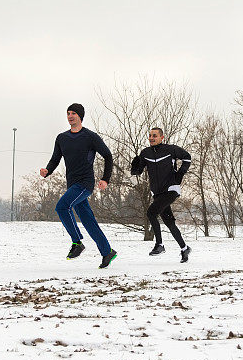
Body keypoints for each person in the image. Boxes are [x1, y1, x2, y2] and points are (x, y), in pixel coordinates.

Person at [40, 103, 117, 268]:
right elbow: (55, 159)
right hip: (72, 184)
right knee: (88, 221)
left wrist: (105, 179)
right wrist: (48, 170)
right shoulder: (62, 138)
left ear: (80, 116)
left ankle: (77, 243)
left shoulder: (90, 137)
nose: (70, 116)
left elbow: (108, 156)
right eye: (68, 113)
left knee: (62, 207)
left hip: (85, 183)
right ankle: (107, 251)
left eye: (73, 113)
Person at [131, 127, 192, 263]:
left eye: (155, 136)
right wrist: (134, 169)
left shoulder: (170, 149)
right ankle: (184, 248)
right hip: (157, 192)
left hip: (171, 189)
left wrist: (181, 172)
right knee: (169, 222)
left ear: (161, 137)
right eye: (150, 136)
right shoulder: (145, 153)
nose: (151, 138)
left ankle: (159, 244)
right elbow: (139, 171)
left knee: (151, 213)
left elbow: (187, 157)